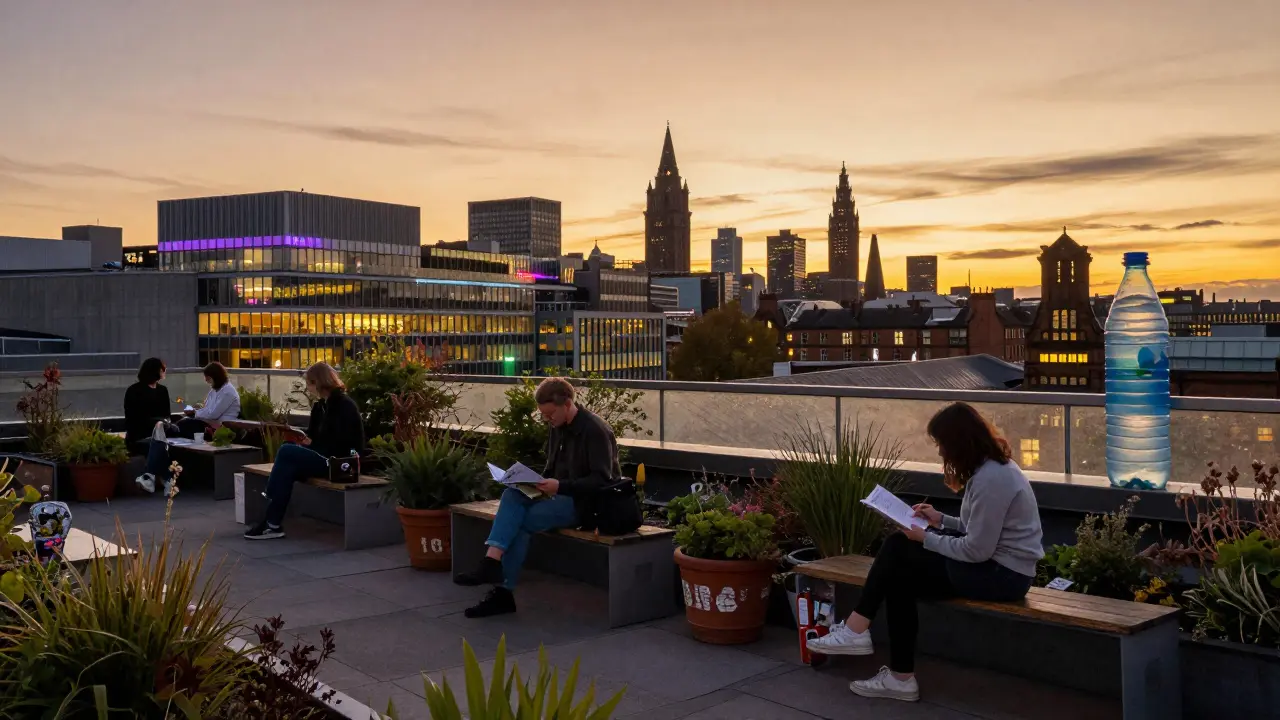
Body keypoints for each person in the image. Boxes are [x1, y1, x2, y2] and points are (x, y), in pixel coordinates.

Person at [806, 402, 1044, 703]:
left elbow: (976, 549)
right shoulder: (990, 469)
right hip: (997, 567)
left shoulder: (992, 479)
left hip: (1002, 576)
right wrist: (940, 520)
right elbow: (978, 530)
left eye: (942, 444)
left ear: (959, 442)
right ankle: (900, 678)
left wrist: (925, 537)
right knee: (899, 576)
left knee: (897, 547)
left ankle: (857, 630)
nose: (941, 452)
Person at [455, 376, 635, 618]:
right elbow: (551, 470)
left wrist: (559, 486)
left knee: (518, 524)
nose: (547, 420)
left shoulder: (595, 431)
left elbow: (602, 480)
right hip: (556, 495)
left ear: (568, 403)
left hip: (584, 505)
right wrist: (532, 483)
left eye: (550, 414)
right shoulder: (557, 428)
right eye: (543, 415)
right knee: (512, 493)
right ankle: (492, 564)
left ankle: (501, 588)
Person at [243, 362, 364, 541]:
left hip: (339, 462)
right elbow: (314, 437)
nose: (308, 387)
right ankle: (272, 524)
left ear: (318, 382)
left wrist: (317, 444)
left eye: (309, 383)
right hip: (320, 456)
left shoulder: (344, 405)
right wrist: (307, 441)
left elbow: (350, 442)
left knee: (285, 451)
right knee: (287, 469)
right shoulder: (319, 407)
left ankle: (270, 513)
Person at [123, 357, 180, 493]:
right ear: (155, 371)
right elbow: (133, 419)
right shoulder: (134, 391)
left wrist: (161, 423)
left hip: (161, 432)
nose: (164, 372)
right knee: (161, 443)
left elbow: (167, 415)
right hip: (139, 435)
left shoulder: (162, 391)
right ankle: (167, 482)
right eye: (162, 370)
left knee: (163, 432)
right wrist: (157, 423)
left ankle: (149, 478)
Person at [176, 362, 241, 438]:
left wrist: (195, 412)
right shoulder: (214, 391)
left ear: (216, 377)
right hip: (210, 423)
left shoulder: (228, 392)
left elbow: (213, 414)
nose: (206, 380)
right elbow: (207, 409)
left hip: (221, 427)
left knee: (185, 424)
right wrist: (195, 411)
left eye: (208, 378)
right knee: (182, 421)